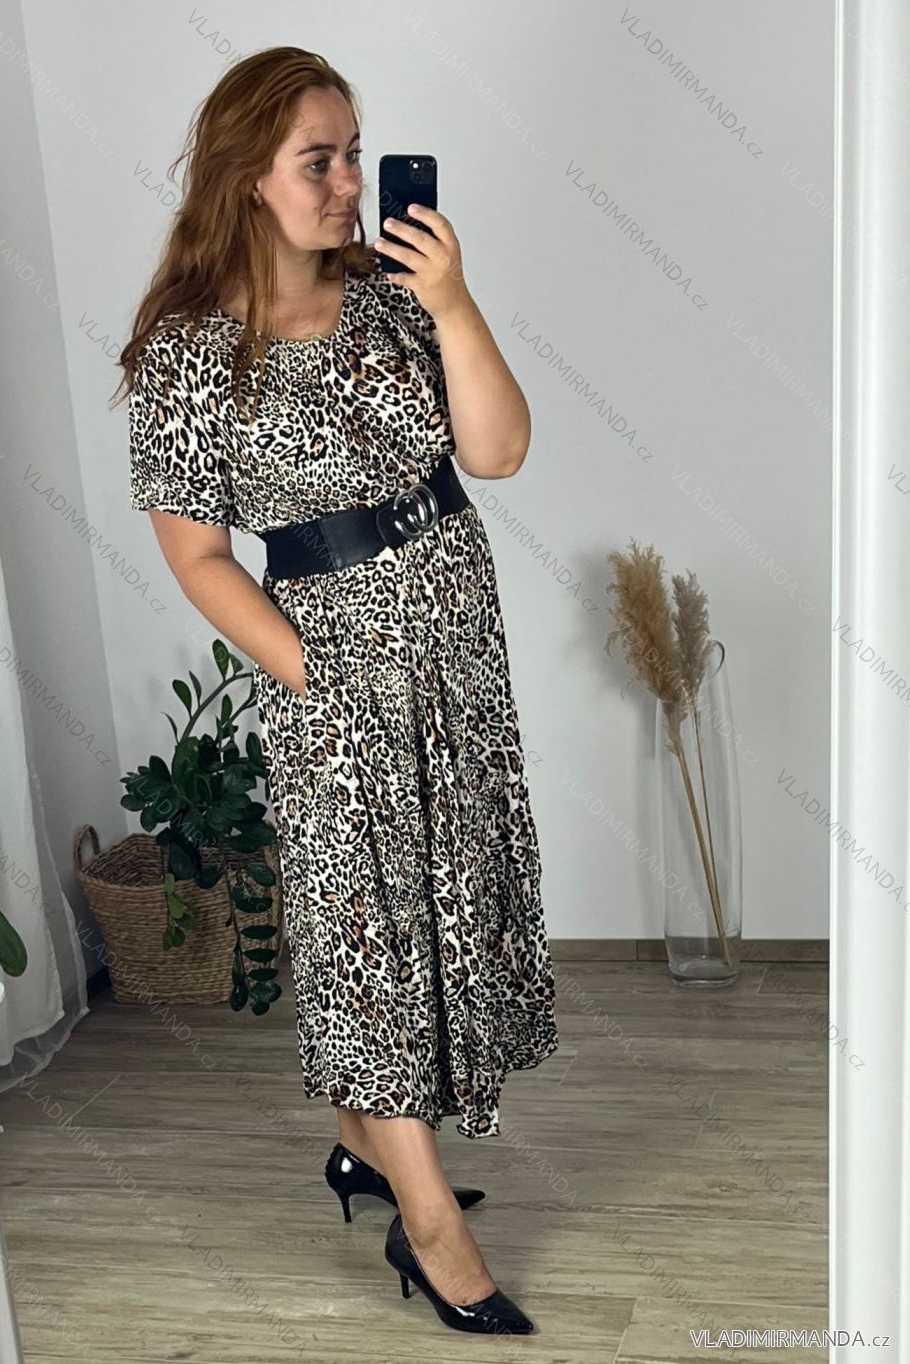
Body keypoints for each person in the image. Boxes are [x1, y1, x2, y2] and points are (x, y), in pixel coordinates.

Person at [115, 45, 559, 1337]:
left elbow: (500, 451)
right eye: (319, 160)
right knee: (371, 942)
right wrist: (317, 674)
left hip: (458, 655)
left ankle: (367, 1147)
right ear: (246, 177)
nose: (351, 183)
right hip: (337, 673)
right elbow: (200, 556)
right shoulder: (189, 356)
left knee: (447, 911)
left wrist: (455, 303)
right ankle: (432, 1227)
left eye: (355, 154)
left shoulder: (397, 297)